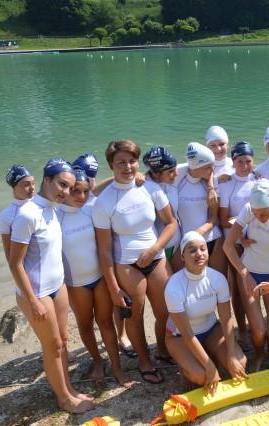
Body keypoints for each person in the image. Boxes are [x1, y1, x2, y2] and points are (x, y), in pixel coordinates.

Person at [7, 158, 94, 413]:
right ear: (46, 179)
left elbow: (92, 192)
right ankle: (64, 399)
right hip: (37, 292)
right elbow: (15, 263)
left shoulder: (53, 209)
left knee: (63, 341)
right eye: (61, 184)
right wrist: (32, 300)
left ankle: (69, 389)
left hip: (58, 286)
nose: (65, 191)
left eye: (69, 187)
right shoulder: (27, 215)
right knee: (53, 346)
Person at [93, 140, 177, 384]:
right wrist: (113, 288)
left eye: (131, 161)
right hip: (126, 265)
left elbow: (171, 224)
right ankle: (144, 361)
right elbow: (104, 250)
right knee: (134, 317)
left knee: (166, 312)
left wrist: (155, 249)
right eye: (121, 162)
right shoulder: (104, 202)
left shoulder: (150, 188)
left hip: (156, 258)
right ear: (111, 165)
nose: (127, 167)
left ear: (138, 163)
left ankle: (163, 350)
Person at [58, 167, 131, 387]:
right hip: (75, 283)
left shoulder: (93, 208)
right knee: (85, 324)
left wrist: (131, 177)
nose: (81, 196)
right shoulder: (55, 215)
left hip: (99, 278)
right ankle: (98, 362)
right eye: (75, 191)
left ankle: (117, 368)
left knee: (106, 322)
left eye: (85, 191)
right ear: (65, 190)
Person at [223, 180, 269, 370]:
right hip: (248, 273)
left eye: (263, 213)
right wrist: (244, 274)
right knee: (257, 331)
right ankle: (258, 354)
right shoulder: (249, 210)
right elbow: (228, 246)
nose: (258, 217)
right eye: (255, 213)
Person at [165, 231, 247, 393]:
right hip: (179, 337)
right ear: (182, 256)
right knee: (202, 376)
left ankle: (210, 354)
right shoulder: (174, 286)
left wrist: (231, 355)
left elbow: (226, 318)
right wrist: (209, 366)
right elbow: (187, 334)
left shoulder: (217, 278)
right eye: (192, 250)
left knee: (240, 362)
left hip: (210, 330)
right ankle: (190, 366)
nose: (199, 254)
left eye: (203, 249)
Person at [74, 152, 136, 358]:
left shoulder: (97, 198)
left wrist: (135, 176)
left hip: (108, 260)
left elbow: (98, 188)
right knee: (90, 315)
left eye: (93, 175)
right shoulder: (73, 201)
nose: (91, 180)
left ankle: (122, 335)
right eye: (87, 175)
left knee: (117, 300)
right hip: (84, 268)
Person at [218, 141, 257, 348]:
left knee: (255, 286)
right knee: (238, 289)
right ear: (232, 162)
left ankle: (256, 324)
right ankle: (242, 328)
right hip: (236, 243)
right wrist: (241, 236)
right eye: (240, 161)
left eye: (248, 161)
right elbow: (223, 219)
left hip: (256, 242)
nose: (244, 166)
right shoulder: (226, 185)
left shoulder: (259, 182)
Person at [177, 142, 226, 273]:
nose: (213, 170)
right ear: (196, 167)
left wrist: (195, 234)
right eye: (208, 167)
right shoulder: (178, 181)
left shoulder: (211, 183)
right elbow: (155, 174)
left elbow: (213, 218)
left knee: (220, 281)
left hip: (213, 239)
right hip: (190, 245)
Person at [143, 146, 183, 272]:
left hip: (177, 244)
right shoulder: (143, 189)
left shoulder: (171, 180)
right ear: (156, 173)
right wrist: (134, 176)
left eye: (175, 168)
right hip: (159, 250)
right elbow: (96, 191)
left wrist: (211, 182)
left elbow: (200, 164)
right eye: (171, 171)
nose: (176, 174)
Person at [0, 164, 35, 261]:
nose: (32, 188)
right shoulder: (6, 215)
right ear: (14, 187)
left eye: (33, 183)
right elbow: (9, 255)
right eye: (26, 184)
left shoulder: (41, 205)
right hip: (27, 268)